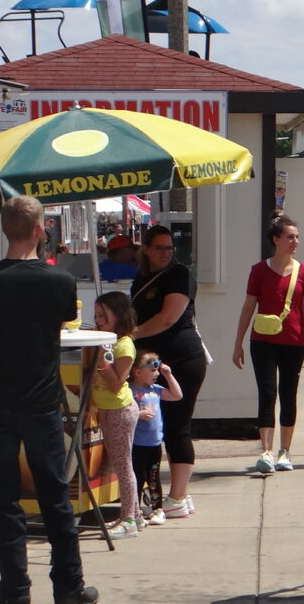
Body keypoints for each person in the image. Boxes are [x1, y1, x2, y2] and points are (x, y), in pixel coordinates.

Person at [0, 195, 98, 604]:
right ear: (40, 229)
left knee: (4, 500)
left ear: (5, 229)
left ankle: (14, 591)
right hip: (41, 401)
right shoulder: (60, 281)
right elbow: (62, 329)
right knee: (55, 496)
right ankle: (69, 586)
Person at [132, 224, 207, 518]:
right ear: (146, 250)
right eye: (159, 247)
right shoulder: (142, 277)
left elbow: (168, 318)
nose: (165, 253)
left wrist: (131, 334)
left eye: (169, 248)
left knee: (177, 428)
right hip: (153, 365)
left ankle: (177, 497)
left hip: (181, 361)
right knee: (160, 430)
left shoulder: (179, 275)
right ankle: (181, 494)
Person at [233, 214, 304, 473]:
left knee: (288, 395)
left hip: (294, 342)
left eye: (297, 237)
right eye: (290, 237)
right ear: (276, 239)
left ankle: (285, 452)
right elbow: (248, 307)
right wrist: (238, 343)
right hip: (263, 342)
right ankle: (266, 451)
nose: (295, 242)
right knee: (267, 394)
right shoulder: (259, 271)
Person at [89, 292, 141, 538]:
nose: (98, 320)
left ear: (118, 315)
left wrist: (101, 361)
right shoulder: (107, 340)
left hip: (120, 410)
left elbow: (116, 384)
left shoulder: (124, 344)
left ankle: (128, 520)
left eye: (103, 315)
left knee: (123, 465)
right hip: (108, 410)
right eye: (97, 315)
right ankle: (136, 516)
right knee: (121, 463)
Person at [129, 350, 182, 527]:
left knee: (153, 477)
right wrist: (138, 413)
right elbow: (123, 412)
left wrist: (169, 375)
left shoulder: (157, 391)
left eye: (158, 369)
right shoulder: (130, 391)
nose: (156, 374)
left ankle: (157, 509)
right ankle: (134, 510)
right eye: (152, 370)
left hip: (154, 443)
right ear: (137, 372)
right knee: (138, 476)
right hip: (137, 444)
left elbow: (177, 395)